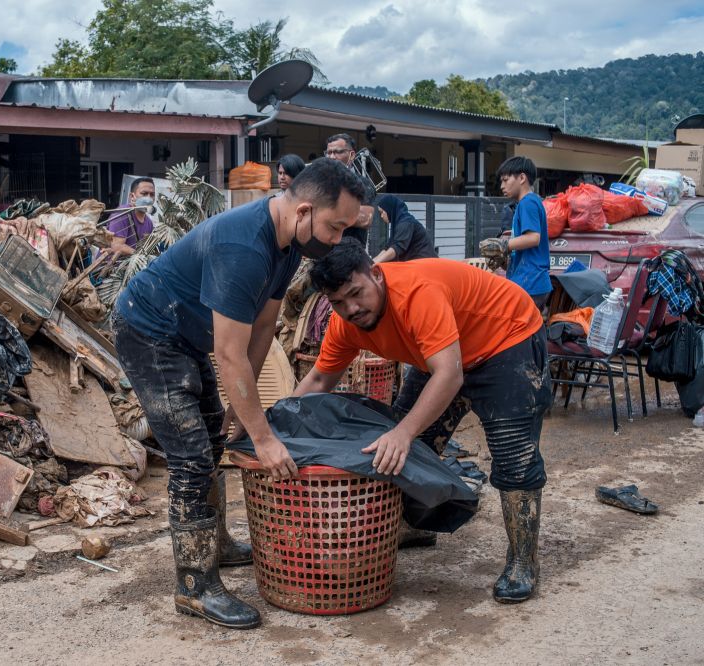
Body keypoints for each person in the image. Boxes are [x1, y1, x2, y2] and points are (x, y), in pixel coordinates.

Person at [112, 159, 365, 629]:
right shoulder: (244, 246)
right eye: (335, 227)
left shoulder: (288, 245)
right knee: (190, 456)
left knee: (211, 440)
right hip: (147, 330)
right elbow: (229, 355)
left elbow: (263, 327)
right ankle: (194, 587)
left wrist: (237, 406)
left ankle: (218, 544)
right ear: (305, 210)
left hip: (186, 335)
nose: (338, 239)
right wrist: (264, 438)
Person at [294, 238, 550, 604]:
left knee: (513, 456)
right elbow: (319, 380)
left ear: (377, 275)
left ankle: (523, 561)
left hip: (506, 337)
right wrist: (273, 422)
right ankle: (415, 526)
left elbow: (448, 375)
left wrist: (403, 431)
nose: (351, 308)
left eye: (357, 293)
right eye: (338, 302)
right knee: (411, 449)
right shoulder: (345, 323)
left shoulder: (417, 293)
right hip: (444, 354)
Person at [480, 157, 552, 309]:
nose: (502, 186)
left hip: (530, 283)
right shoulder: (528, 203)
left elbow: (533, 238)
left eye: (505, 180)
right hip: (530, 282)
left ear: (522, 178)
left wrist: (503, 245)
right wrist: (506, 261)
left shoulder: (528, 203)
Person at [324, 133, 376, 246]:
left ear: (351, 155)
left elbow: (365, 219)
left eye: (338, 152)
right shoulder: (322, 182)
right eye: (329, 153)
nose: (332, 157)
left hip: (349, 254)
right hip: (323, 252)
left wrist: (325, 213)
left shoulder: (362, 183)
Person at [371, 194, 438, 263]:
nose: (381, 216)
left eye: (382, 212)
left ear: (389, 209)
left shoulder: (406, 223)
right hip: (419, 264)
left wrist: (376, 262)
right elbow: (388, 248)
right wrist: (372, 262)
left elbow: (397, 248)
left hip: (427, 265)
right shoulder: (399, 223)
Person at [104, 177, 156, 258]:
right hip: (112, 268)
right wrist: (141, 256)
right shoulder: (122, 214)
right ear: (132, 196)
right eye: (144, 193)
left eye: (152, 194)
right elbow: (117, 247)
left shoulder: (149, 222)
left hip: (133, 267)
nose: (149, 198)